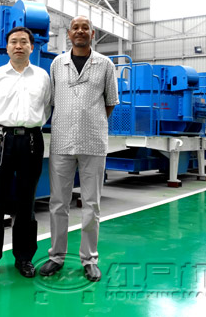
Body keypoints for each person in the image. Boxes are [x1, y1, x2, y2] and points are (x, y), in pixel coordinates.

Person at [39, 15, 119, 282]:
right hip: (62, 141)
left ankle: (89, 259)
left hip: (93, 142)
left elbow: (111, 101)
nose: (80, 31)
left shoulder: (105, 64)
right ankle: (56, 256)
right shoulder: (57, 64)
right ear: (69, 34)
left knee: (91, 204)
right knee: (58, 203)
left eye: (86, 28)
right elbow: (51, 100)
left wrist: (91, 121)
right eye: (76, 28)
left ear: (92, 34)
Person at [0, 26, 52, 279]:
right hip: (1, 140)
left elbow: (46, 109)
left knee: (26, 202)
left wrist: (29, 127)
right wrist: (1, 134)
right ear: (7, 47)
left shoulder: (42, 76)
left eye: (23, 42)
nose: (18, 46)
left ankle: (24, 258)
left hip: (31, 140)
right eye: (13, 42)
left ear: (32, 46)